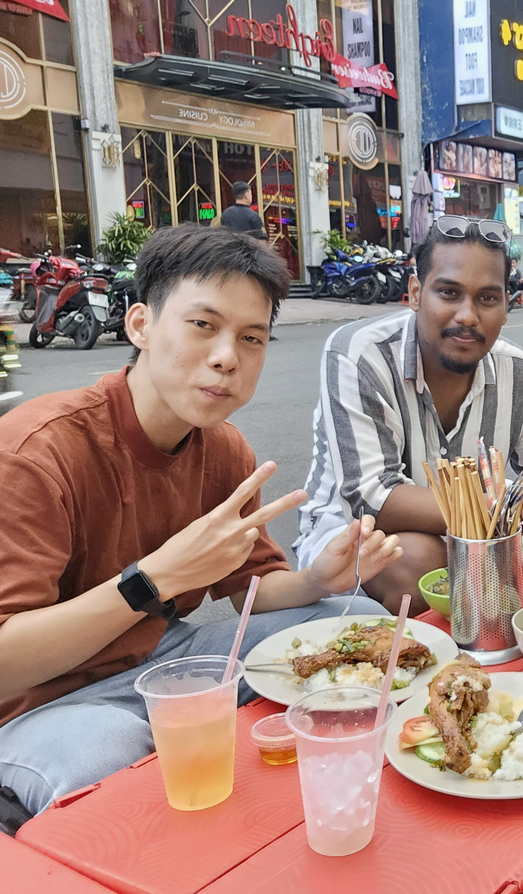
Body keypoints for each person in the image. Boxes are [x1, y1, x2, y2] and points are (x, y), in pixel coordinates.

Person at [0, 226, 403, 821]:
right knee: (104, 757)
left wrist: (319, 581)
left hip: (169, 662)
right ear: (140, 324)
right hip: (45, 703)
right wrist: (150, 582)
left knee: (363, 621)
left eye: (251, 338)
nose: (226, 357)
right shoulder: (36, 453)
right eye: (203, 325)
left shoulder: (223, 449)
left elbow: (251, 591)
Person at [294, 215, 523, 614]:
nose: (467, 315)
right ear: (414, 292)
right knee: (416, 560)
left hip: (474, 537)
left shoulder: (515, 366)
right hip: (354, 539)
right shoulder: (361, 354)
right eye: (448, 293)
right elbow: (371, 498)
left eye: (487, 298)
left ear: (505, 306)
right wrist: (511, 513)